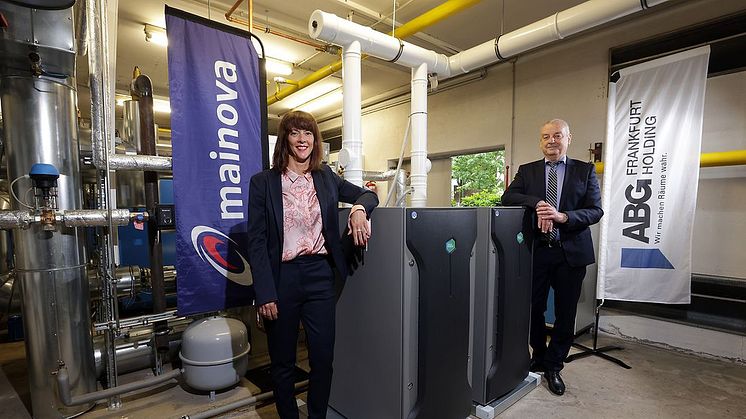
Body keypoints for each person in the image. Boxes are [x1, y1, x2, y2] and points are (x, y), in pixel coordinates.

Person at [247, 111, 378, 418]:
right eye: (295, 133)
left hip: (321, 275)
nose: (302, 140)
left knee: (322, 358)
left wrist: (359, 209)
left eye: (308, 134)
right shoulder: (263, 183)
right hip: (282, 278)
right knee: (282, 362)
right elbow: (255, 241)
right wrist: (264, 292)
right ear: (285, 140)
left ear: (315, 141)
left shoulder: (326, 178)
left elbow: (367, 194)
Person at [501, 119, 603, 396]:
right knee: (533, 309)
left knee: (565, 312)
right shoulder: (528, 171)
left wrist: (563, 216)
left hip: (570, 253)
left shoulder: (585, 171)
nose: (551, 141)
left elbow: (595, 211)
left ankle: (555, 365)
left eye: (557, 135)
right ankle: (538, 356)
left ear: (569, 138)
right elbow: (508, 197)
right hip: (537, 252)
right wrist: (538, 203)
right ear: (541, 141)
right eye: (545, 136)